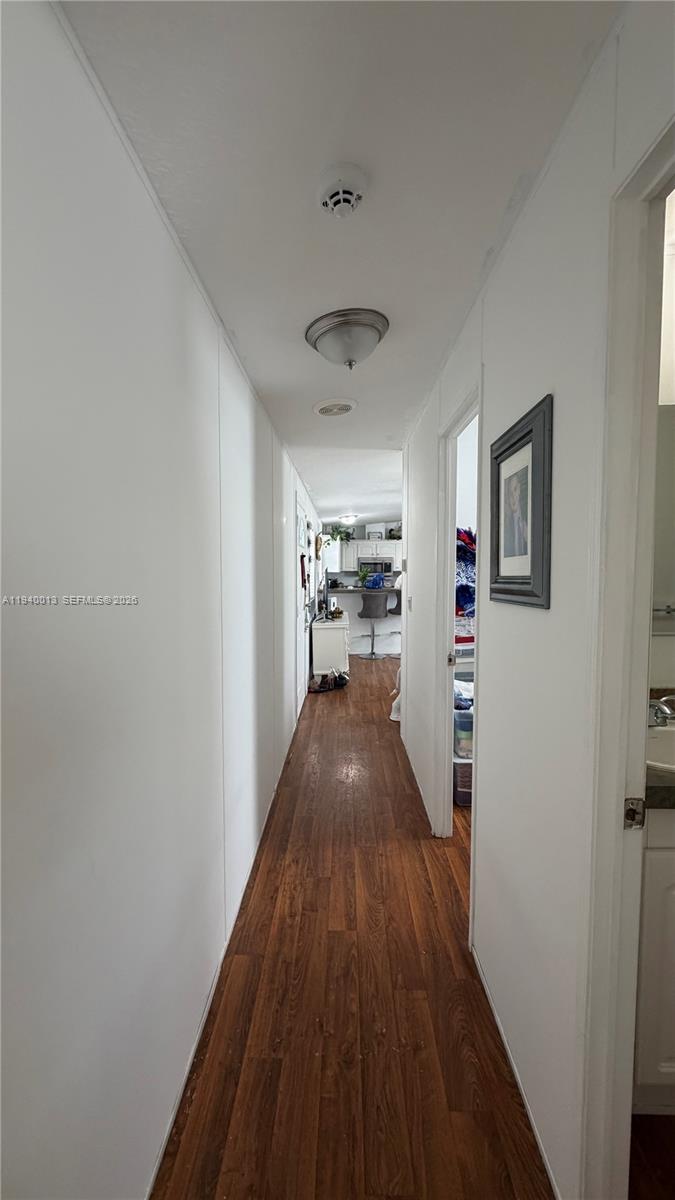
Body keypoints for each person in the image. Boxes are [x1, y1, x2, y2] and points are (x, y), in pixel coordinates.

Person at [504, 469, 528, 557]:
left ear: (519, 489)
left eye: (515, 489)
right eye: (510, 493)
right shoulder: (505, 526)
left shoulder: (528, 518)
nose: (513, 497)